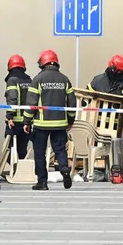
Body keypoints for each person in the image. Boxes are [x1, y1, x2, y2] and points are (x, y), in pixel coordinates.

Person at [22, 49, 76, 191]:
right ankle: (64, 169)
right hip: (60, 123)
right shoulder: (64, 79)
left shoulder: (37, 79)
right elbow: (72, 102)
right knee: (60, 150)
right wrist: (71, 120)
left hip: (41, 124)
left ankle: (42, 182)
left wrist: (26, 121)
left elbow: (31, 104)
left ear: (43, 63)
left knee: (40, 153)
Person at [85, 54, 123, 158]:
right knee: (98, 143)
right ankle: (98, 160)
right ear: (113, 69)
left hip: (115, 122)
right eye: (120, 71)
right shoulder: (98, 80)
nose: (122, 74)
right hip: (100, 122)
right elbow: (86, 97)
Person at [4, 54, 32, 160]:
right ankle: (21, 168)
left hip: (14, 122)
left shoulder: (12, 80)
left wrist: (10, 116)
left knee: (10, 149)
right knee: (22, 149)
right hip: (26, 121)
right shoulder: (29, 80)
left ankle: (11, 168)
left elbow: (12, 99)